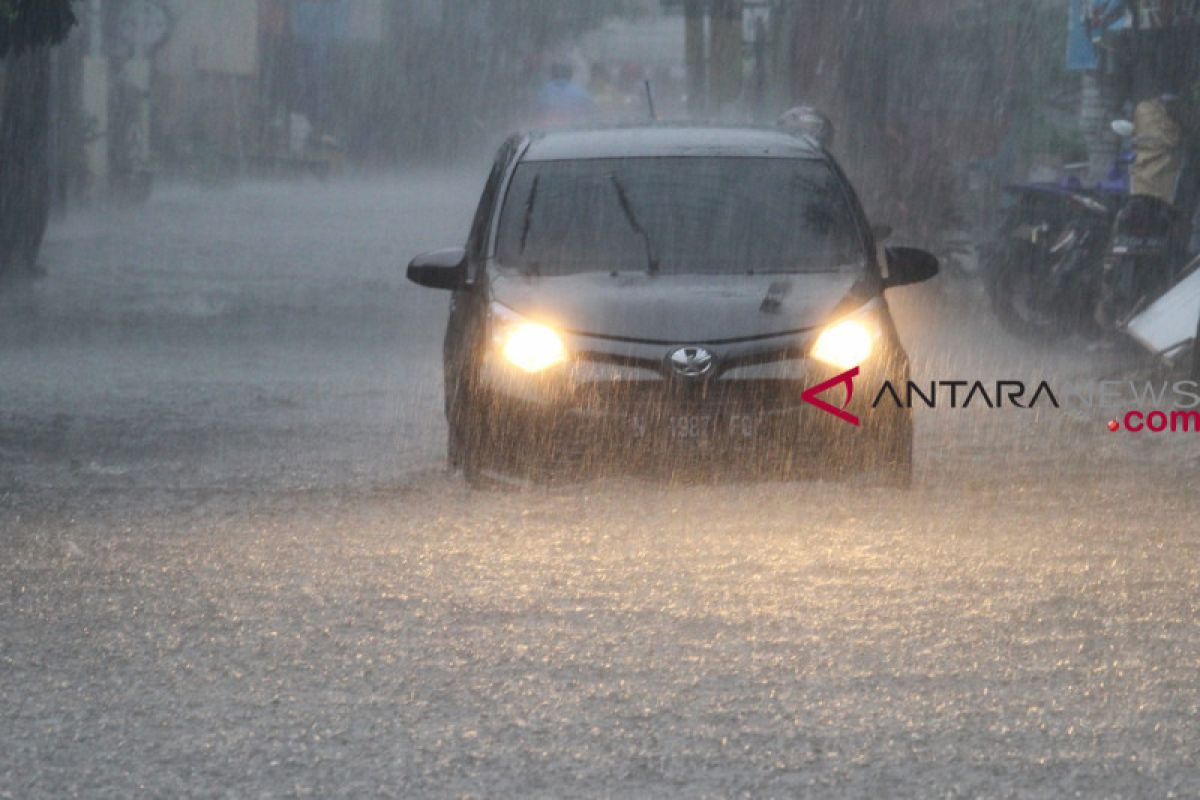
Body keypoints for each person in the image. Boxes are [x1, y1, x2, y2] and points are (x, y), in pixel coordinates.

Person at [535, 62, 596, 128]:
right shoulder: (579, 92)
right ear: (570, 75)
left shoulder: (544, 92)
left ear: (552, 75)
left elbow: (538, 112)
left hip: (549, 131)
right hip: (575, 130)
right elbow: (591, 112)